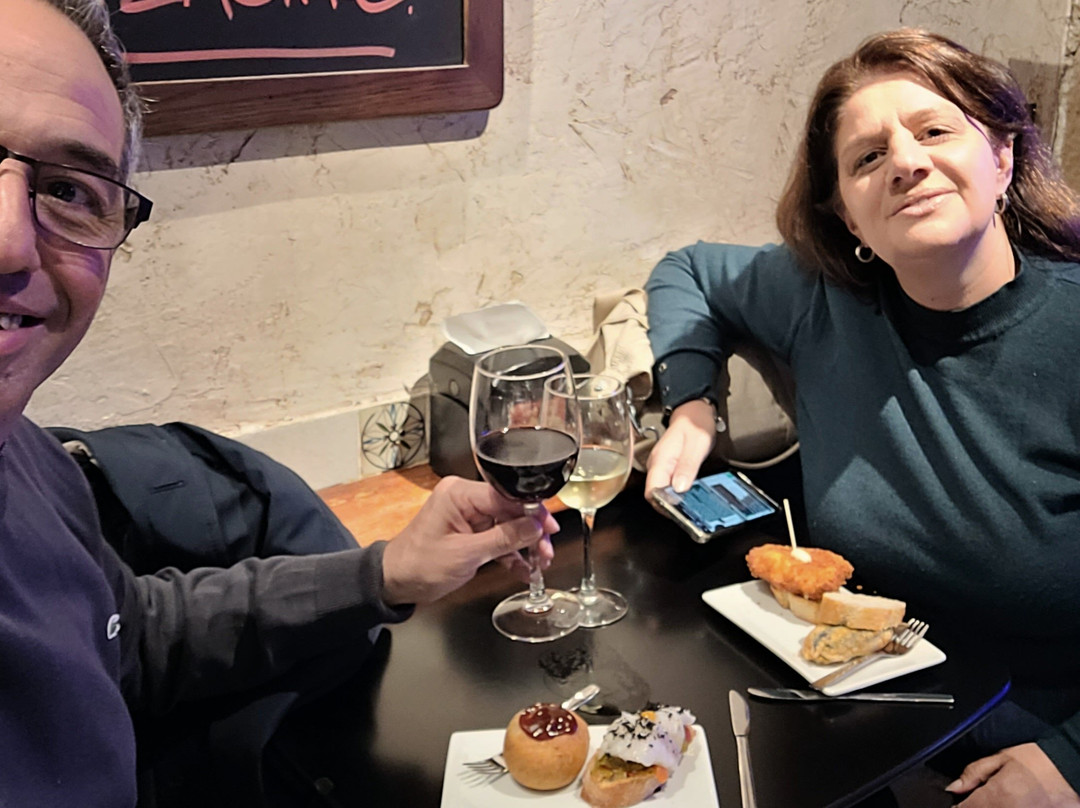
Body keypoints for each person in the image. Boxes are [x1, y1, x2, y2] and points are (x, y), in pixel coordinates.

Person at [0, 1, 558, 804]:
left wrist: (387, 572)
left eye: (65, 189)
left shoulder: (26, 457)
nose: (11, 241)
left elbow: (135, 632)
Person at [645, 28, 1080, 808]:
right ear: (848, 216)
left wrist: (1069, 764)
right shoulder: (824, 299)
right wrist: (691, 405)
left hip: (1030, 755)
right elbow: (688, 271)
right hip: (865, 735)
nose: (906, 162)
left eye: (935, 131)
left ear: (1004, 157)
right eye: (868, 157)